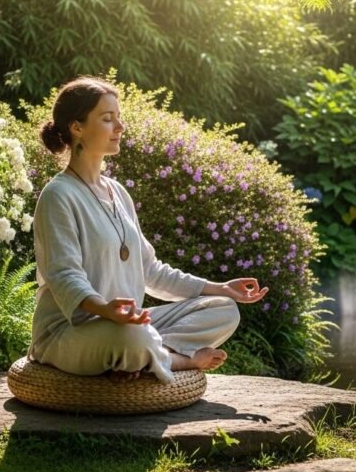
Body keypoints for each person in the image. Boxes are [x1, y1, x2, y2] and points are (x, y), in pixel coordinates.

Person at [28, 76, 267, 383]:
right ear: (77, 127)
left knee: (224, 309)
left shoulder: (117, 193)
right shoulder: (58, 195)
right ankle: (181, 360)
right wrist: (106, 310)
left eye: (119, 118)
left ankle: (142, 358)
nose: (120, 127)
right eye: (107, 119)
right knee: (133, 338)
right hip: (71, 332)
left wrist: (218, 287)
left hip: (128, 324)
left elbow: (150, 270)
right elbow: (63, 276)